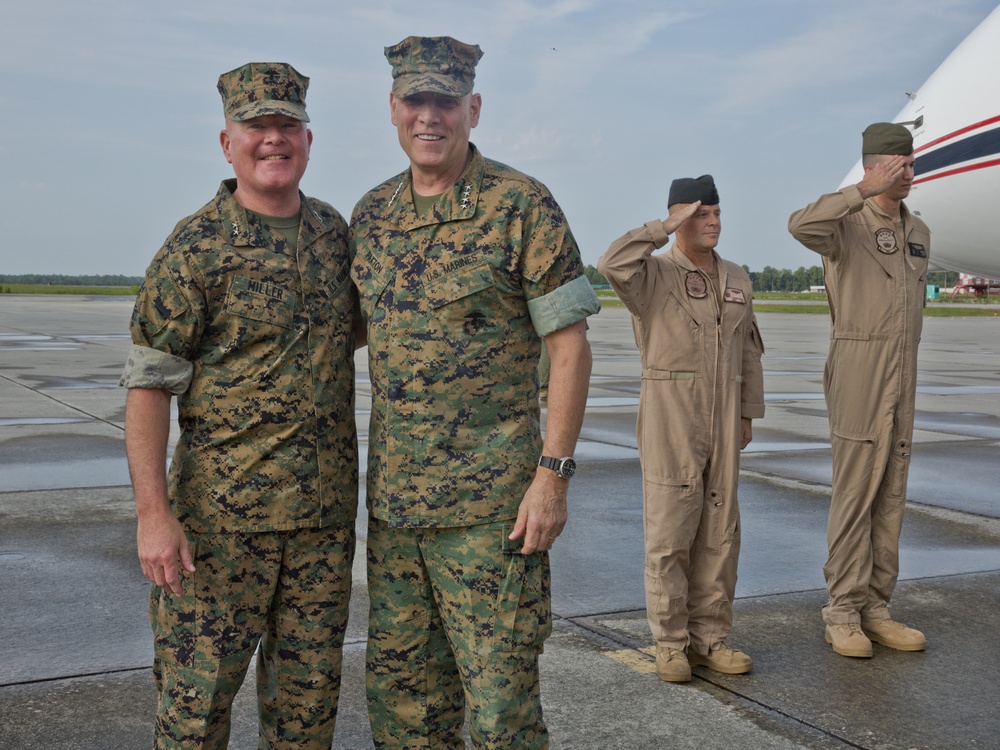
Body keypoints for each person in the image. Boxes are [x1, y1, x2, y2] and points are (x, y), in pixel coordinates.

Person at [350, 35, 600, 749]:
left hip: (491, 518)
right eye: (415, 101)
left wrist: (552, 476)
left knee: (501, 714)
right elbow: (348, 332)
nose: (430, 117)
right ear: (393, 109)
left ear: (473, 108)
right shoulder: (371, 218)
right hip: (398, 514)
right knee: (404, 711)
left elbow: (570, 348)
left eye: (445, 102)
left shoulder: (520, 205)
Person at [120, 62, 361, 748]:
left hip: (320, 530)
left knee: (306, 721)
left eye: (288, 125)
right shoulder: (194, 249)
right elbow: (147, 388)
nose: (274, 139)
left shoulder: (333, 237)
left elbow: (365, 325)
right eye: (258, 126)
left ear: (308, 140)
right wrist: (153, 517)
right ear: (228, 143)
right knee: (195, 716)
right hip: (218, 536)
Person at [598, 176, 764, 683]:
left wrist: (745, 413)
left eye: (716, 213)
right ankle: (670, 643)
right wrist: (660, 228)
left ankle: (711, 637)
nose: (712, 222)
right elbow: (611, 264)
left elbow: (750, 349)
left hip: (723, 410)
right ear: (678, 219)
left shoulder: (736, 276)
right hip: (672, 410)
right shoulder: (653, 274)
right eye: (700, 215)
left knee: (720, 531)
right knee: (671, 532)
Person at [788, 122, 930, 658]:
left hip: (903, 374)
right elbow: (800, 225)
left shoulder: (920, 233)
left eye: (911, 165)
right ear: (872, 166)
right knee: (856, 492)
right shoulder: (845, 224)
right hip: (858, 370)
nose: (907, 174)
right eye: (896, 166)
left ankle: (876, 607)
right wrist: (860, 192)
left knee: (891, 489)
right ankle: (842, 611)